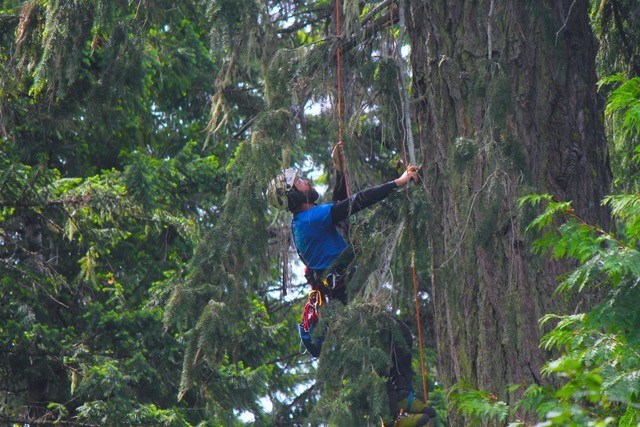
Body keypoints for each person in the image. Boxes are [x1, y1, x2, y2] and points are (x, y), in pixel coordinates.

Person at [267, 144, 436, 427]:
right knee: (391, 339)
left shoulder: (306, 221)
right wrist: (399, 182)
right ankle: (396, 413)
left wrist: (339, 170)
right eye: (300, 181)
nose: (306, 181)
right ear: (294, 193)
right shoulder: (308, 220)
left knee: (394, 338)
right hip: (346, 291)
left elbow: (341, 208)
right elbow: (353, 203)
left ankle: (403, 400)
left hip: (343, 292)